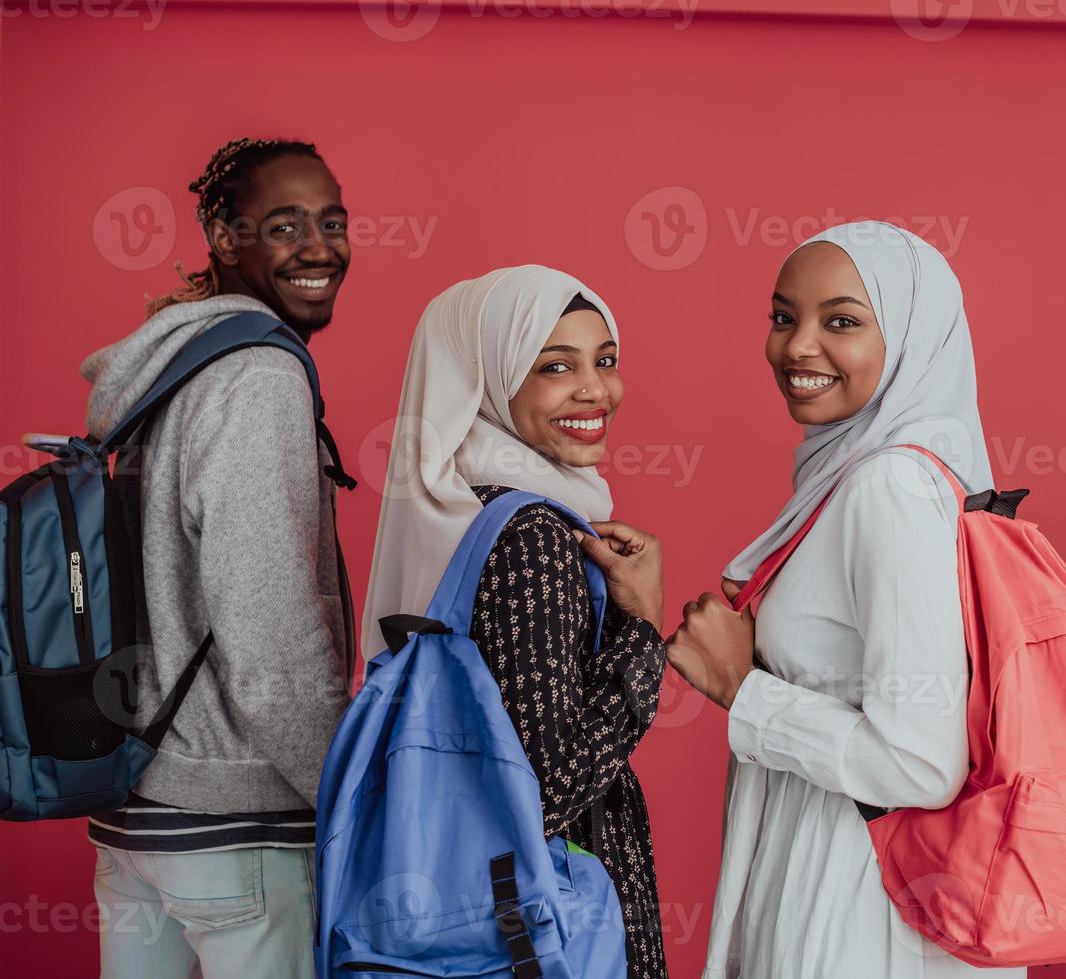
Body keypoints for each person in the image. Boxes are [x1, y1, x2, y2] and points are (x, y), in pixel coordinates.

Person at [668, 221, 1023, 978]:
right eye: (782, 317)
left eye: (842, 322)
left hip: (859, 896)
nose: (797, 347)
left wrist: (742, 688)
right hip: (854, 874)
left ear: (912, 340)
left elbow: (920, 761)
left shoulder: (887, 485)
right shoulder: (868, 477)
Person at [82, 137, 355, 978]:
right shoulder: (257, 376)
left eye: (333, 221)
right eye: (283, 225)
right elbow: (266, 623)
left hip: (135, 812)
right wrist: (348, 797)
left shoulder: (167, 366)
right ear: (224, 235)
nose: (320, 248)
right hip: (236, 827)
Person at [360, 265, 670, 978]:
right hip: (549, 923)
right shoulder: (531, 534)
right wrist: (642, 631)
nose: (595, 389)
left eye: (606, 360)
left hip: (450, 908)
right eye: (555, 366)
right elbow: (549, 789)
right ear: (487, 379)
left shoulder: (452, 515)